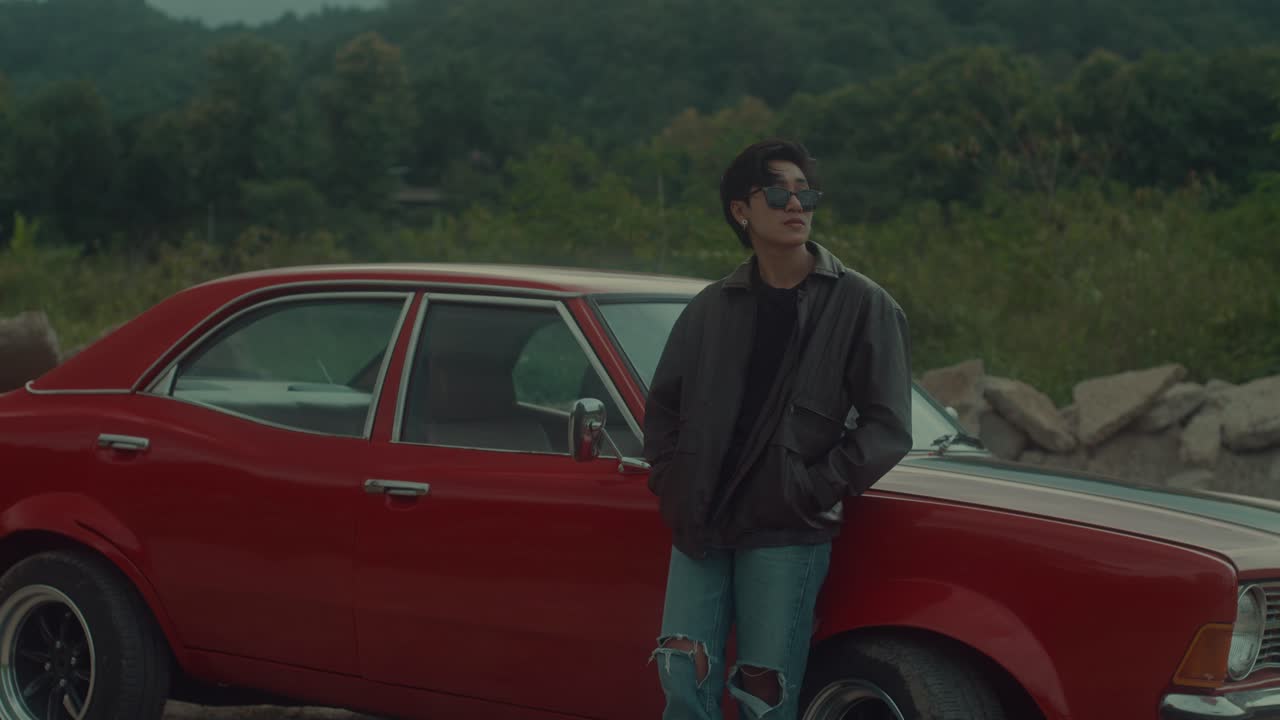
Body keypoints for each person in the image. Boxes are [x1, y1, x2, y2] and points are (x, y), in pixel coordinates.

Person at [643, 138, 913, 720]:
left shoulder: (862, 304)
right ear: (741, 210)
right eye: (777, 192)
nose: (796, 205)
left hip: (786, 530)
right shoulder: (713, 306)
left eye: (805, 193)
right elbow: (663, 407)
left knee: (765, 695)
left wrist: (810, 489)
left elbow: (888, 425)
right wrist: (672, 478)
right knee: (682, 677)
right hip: (701, 522)